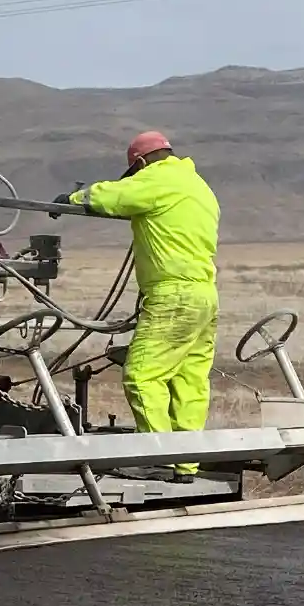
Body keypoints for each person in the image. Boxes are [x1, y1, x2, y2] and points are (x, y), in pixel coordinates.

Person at [66, 130, 221, 437]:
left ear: (140, 163)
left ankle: (158, 455)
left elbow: (112, 196)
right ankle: (186, 459)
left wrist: (75, 198)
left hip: (173, 296)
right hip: (204, 296)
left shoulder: (157, 179)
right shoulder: (199, 187)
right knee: (188, 382)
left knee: (142, 376)